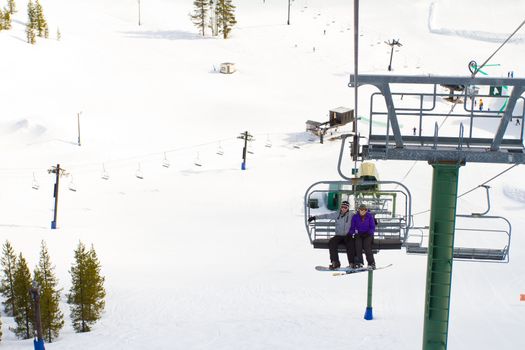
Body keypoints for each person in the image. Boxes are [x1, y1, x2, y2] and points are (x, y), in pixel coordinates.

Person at [308, 200, 354, 270]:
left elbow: (361, 216)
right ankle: (335, 262)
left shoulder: (351, 215)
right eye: (343, 207)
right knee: (332, 242)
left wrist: (372, 218)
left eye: (345, 207)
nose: (344, 209)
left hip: (348, 236)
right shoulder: (337, 214)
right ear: (341, 207)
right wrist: (314, 217)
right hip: (338, 236)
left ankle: (352, 263)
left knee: (351, 244)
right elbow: (326, 216)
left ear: (348, 208)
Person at [348, 203, 376, 269]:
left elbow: (372, 227)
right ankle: (359, 262)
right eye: (361, 209)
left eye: (364, 210)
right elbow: (352, 227)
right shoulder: (355, 217)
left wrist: (369, 232)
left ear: (366, 210)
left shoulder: (369, 216)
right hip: (359, 234)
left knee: (367, 246)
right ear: (359, 210)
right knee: (358, 245)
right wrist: (352, 232)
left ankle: (371, 263)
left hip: (368, 235)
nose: (363, 211)